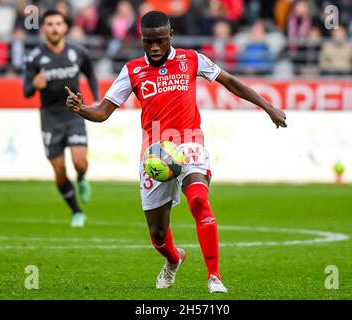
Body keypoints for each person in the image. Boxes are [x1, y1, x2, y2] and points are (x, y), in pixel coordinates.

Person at [65, 11, 286, 292]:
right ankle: (172, 260)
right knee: (157, 234)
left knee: (198, 201)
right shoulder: (131, 70)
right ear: (141, 40)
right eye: (148, 42)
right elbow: (103, 112)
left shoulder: (191, 59)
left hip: (190, 143)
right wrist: (81, 109)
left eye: (160, 41)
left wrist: (268, 106)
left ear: (171, 36)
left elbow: (228, 81)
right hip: (155, 154)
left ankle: (214, 277)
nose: (155, 48)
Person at [23, 10, 99, 227]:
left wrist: (95, 96)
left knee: (79, 163)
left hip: (74, 114)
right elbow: (26, 91)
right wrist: (33, 86)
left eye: (58, 23)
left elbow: (91, 74)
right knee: (59, 170)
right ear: (44, 28)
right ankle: (76, 211)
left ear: (65, 27)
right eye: (49, 24)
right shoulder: (34, 57)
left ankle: (82, 178)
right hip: (50, 118)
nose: (55, 28)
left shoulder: (78, 52)